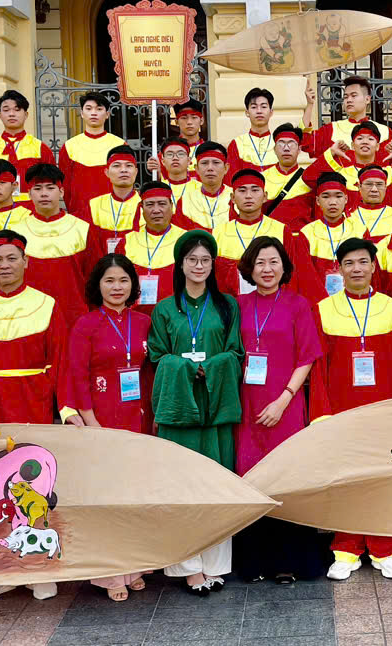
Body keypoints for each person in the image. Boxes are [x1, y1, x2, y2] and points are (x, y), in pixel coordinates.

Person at [0, 231, 69, 605]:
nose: (4, 266)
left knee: (29, 488)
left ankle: (34, 567)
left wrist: (59, 406)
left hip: (30, 402)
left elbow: (59, 360)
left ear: (26, 262)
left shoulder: (46, 303)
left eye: (11, 259)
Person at [147, 230, 244, 594]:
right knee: (181, 485)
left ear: (213, 264)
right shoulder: (164, 309)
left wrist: (214, 366)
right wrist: (185, 367)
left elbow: (236, 352)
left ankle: (216, 565)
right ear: (180, 263)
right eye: (192, 260)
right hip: (179, 410)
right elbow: (157, 355)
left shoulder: (227, 306)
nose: (199, 266)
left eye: (205, 260)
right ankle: (188, 567)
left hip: (214, 407)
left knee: (216, 485)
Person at [233, 236, 327, 584]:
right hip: (246, 406)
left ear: (284, 267)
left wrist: (285, 398)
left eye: (273, 262)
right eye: (259, 263)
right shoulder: (237, 305)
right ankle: (255, 562)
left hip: (284, 404)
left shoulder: (298, 304)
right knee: (252, 479)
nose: (267, 269)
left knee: (287, 478)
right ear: (249, 269)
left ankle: (292, 561)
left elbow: (308, 356)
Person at [311, 237, 392, 581]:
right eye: (349, 263)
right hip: (342, 410)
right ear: (338, 269)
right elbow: (318, 368)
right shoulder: (323, 308)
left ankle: (385, 549)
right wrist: (322, 412)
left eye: (363, 262)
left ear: (374, 267)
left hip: (383, 408)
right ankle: (346, 549)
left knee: (384, 478)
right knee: (346, 481)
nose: (356, 269)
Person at [64, 254, 155, 600]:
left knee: (135, 494)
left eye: (123, 281)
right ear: (97, 286)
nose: (117, 288)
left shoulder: (144, 322)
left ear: (133, 285)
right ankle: (111, 574)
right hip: (101, 415)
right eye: (109, 281)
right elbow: (77, 375)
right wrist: (91, 422)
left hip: (140, 416)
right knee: (107, 496)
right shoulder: (86, 324)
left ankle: (135, 566)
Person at [13, 163, 98, 326]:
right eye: (37, 189)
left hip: (74, 317)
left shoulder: (82, 228)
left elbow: (94, 278)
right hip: (28, 318)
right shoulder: (17, 232)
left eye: (50, 188)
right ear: (29, 193)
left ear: (61, 192)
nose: (44, 194)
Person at [212, 169, 297, 295]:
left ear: (265, 197)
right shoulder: (218, 232)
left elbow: (292, 275)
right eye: (242, 190)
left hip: (272, 306)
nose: (248, 196)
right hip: (231, 308)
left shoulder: (281, 230)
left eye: (255, 190)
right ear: (233, 198)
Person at [119, 182, 189, 314]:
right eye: (150, 204)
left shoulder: (186, 240)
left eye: (162, 204)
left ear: (172, 207)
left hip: (177, 316)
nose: (156, 210)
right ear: (141, 208)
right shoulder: (127, 241)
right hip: (135, 317)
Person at [303, 122, 392, 198]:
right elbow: (309, 178)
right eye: (360, 138)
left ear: (378, 146)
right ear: (353, 145)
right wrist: (331, 153)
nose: (365, 142)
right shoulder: (341, 170)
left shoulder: (389, 171)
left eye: (370, 139)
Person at [0, 90, 53, 203]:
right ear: (0, 115)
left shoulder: (40, 147)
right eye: (6, 110)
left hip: (32, 209)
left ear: (26, 114)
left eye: (17, 109)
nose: (11, 114)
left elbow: (50, 182)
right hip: (1, 208)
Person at [57, 91, 125, 218]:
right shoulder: (69, 146)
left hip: (113, 215)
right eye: (88, 108)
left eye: (99, 109)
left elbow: (126, 182)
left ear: (107, 114)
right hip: (80, 215)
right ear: (82, 114)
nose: (94, 113)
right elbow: (65, 186)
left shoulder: (120, 145)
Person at [298, 172, 363, 300]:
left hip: (353, 300)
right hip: (317, 302)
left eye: (338, 196)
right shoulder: (306, 233)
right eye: (326, 196)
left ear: (346, 199)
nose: (332, 202)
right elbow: (305, 276)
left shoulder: (359, 230)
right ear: (317, 201)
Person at [303, 74, 392, 157]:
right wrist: (310, 104)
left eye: (354, 95)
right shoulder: (332, 129)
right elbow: (305, 143)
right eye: (346, 97)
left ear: (367, 99)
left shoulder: (384, 132)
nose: (349, 100)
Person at [89, 145, 143, 251]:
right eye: (117, 165)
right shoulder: (93, 205)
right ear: (107, 172)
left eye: (128, 165)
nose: (123, 170)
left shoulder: (146, 204)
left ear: (136, 172)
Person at [262, 123, 312, 227]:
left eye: (291, 144)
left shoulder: (309, 178)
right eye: (281, 144)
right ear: (275, 149)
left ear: (299, 149)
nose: (286, 149)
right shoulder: (262, 178)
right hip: (271, 239)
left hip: (301, 238)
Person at [177, 142, 233, 232]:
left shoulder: (236, 198)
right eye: (204, 163)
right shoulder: (186, 201)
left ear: (226, 168)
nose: (210, 168)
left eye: (216, 162)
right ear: (197, 169)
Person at [226, 88, 278, 173]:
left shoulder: (279, 142)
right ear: (247, 112)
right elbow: (231, 179)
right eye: (254, 107)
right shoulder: (237, 144)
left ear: (271, 112)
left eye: (264, 107)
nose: (259, 111)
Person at [350, 166, 392, 239]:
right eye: (369, 184)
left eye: (379, 184)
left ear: (385, 187)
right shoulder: (347, 216)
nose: (374, 189)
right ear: (359, 186)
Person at [155, 138, 199, 207]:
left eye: (180, 154)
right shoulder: (157, 190)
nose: (175, 158)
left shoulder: (200, 188)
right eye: (170, 154)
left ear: (188, 160)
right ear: (163, 161)